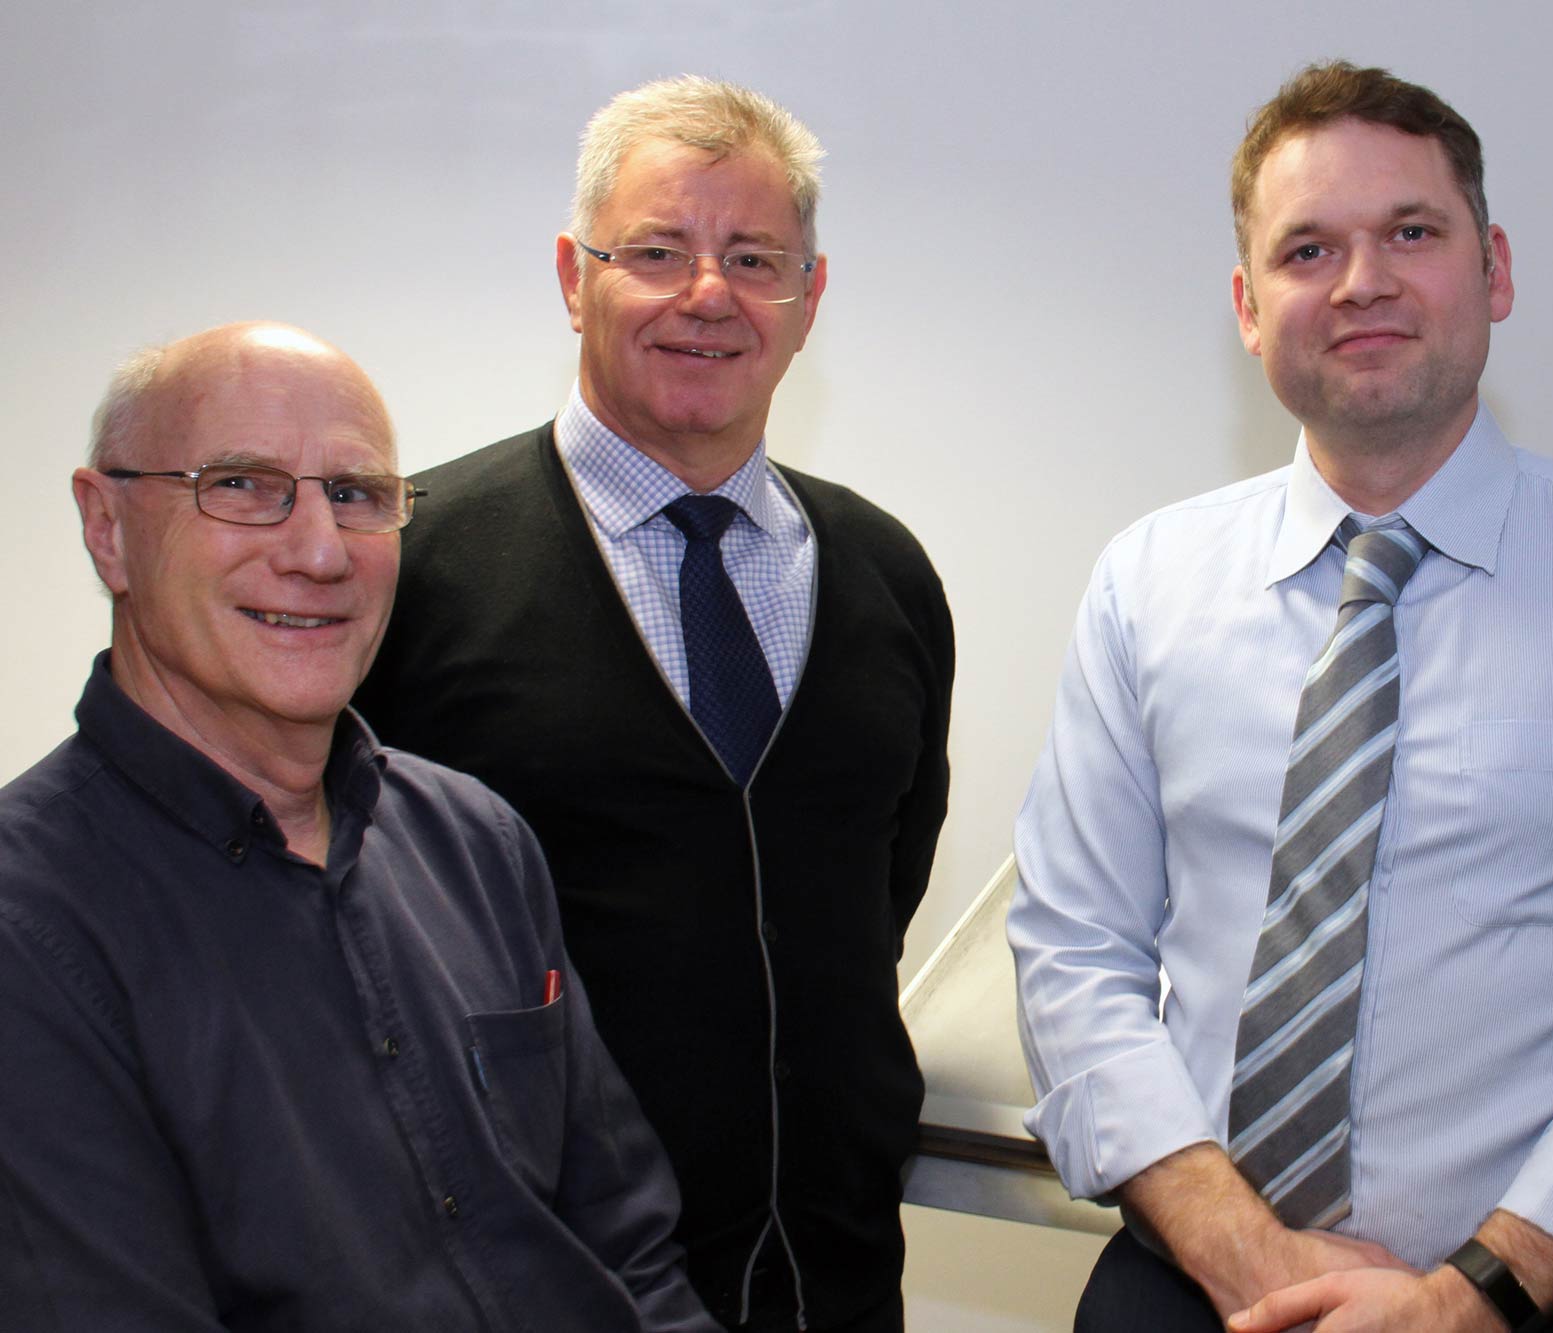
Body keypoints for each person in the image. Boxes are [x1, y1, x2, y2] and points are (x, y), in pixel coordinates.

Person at [1009, 61, 1553, 1333]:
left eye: (1409, 234)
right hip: (1190, 1287)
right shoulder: (1144, 582)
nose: (1360, 280)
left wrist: (1467, 1296)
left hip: (1519, 1301)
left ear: (1491, 270)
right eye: (1307, 248)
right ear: (1249, 307)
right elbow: (1073, 952)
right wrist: (1251, 1261)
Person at [354, 77, 953, 1333]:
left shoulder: (887, 573)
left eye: (753, 258)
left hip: (836, 1279)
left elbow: (872, 890)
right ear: (574, 276)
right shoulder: (410, 565)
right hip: (522, 1283)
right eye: (657, 252)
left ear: (808, 300)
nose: (708, 294)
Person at [0, 322, 719, 1332]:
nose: (318, 551)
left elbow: (632, 1250)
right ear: (107, 524)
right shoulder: (30, 932)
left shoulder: (475, 842)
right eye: (241, 485)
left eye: (356, 494)